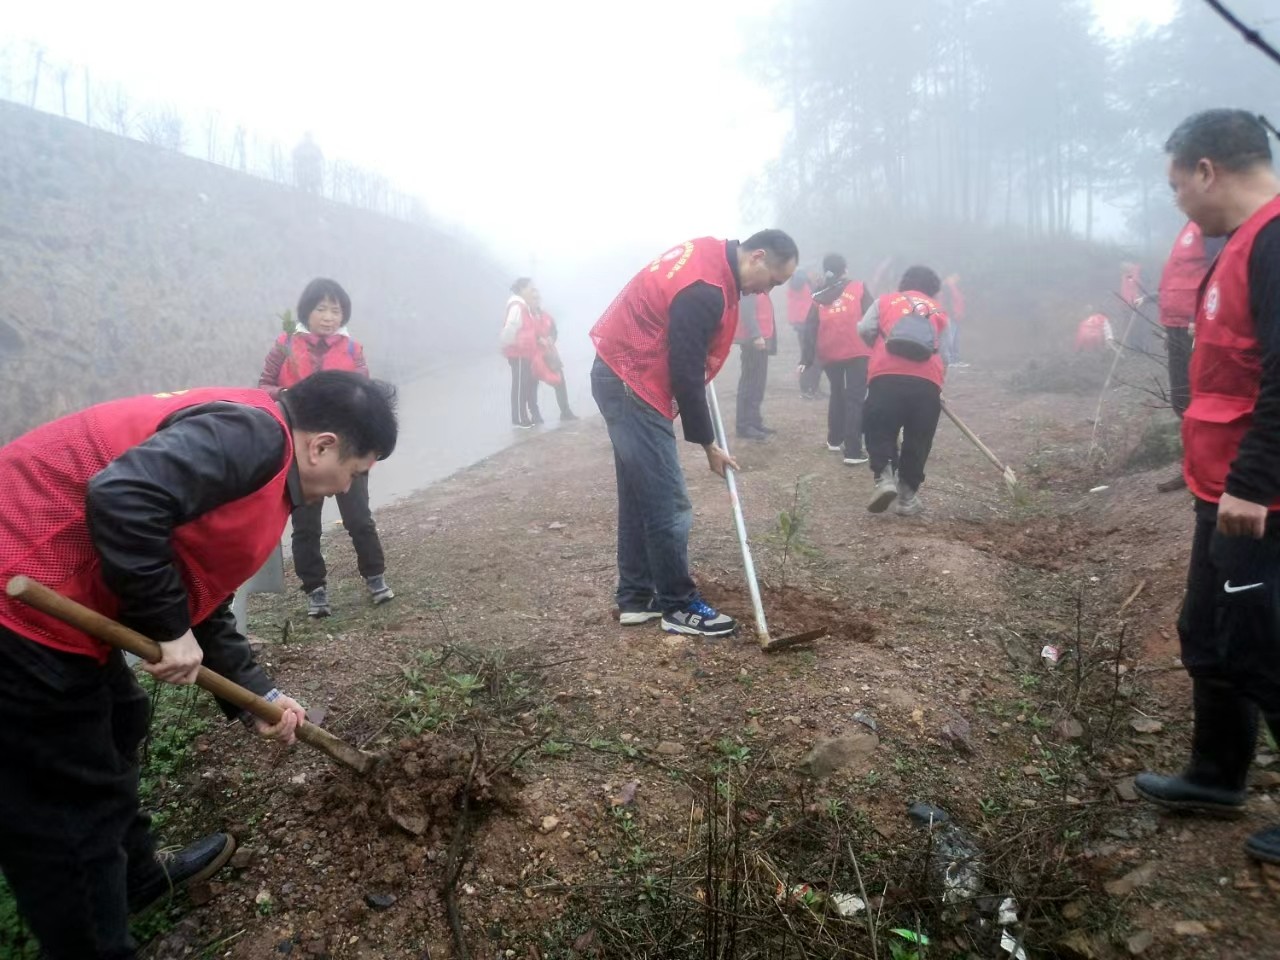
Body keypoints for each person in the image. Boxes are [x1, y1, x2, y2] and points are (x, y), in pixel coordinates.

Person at [0, 370, 398, 960]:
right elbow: (122, 497)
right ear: (323, 445)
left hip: (60, 600)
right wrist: (168, 626)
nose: (346, 488)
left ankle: (135, 877)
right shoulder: (253, 437)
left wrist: (254, 691)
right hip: (18, 595)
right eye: (355, 472)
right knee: (69, 801)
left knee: (119, 718)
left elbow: (194, 580)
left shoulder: (258, 446)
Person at [1133, 109, 1280, 868]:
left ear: (1207, 171)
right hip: (1220, 485)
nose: (1178, 203)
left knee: (1265, 643)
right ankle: (1217, 775)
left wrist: (1254, 484)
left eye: (1175, 185)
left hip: (1259, 498)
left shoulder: (1276, 241)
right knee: (1210, 631)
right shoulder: (1241, 245)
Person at [589, 231, 798, 637]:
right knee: (670, 503)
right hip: (633, 382)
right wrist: (708, 445)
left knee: (638, 495)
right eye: (773, 281)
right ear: (757, 257)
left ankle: (636, 597)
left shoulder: (708, 252)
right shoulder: (706, 289)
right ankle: (679, 606)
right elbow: (686, 373)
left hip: (618, 372)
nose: (765, 292)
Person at [259, 278, 395, 617]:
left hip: (347, 447)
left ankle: (375, 577)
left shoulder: (351, 349)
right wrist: (286, 395)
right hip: (302, 450)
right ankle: (315, 590)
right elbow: (265, 385)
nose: (329, 316)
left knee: (359, 518)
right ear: (307, 311)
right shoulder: (286, 344)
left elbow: (364, 390)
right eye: (321, 308)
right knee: (306, 527)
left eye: (335, 310)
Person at [858, 265, 950, 516]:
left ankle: (884, 479)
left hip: (885, 376)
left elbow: (864, 328)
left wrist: (878, 347)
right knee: (918, 438)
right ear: (933, 289)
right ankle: (907, 498)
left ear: (904, 282)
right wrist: (938, 387)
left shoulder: (885, 301)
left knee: (879, 428)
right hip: (926, 382)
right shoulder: (939, 311)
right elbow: (946, 353)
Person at [1151, 220, 1226, 492]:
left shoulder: (1210, 223)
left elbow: (1220, 269)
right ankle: (1193, 466)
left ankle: (1208, 470)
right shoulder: (1190, 226)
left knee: (1196, 397)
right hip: (1178, 324)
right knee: (1182, 399)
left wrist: (1200, 317)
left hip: (1195, 325)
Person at [798, 253, 873, 465]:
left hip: (829, 351)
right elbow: (873, 315)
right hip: (857, 349)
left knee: (837, 392)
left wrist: (807, 358)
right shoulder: (858, 287)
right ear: (845, 269)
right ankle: (853, 451)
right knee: (855, 397)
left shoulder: (818, 295)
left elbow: (810, 327)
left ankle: (834, 438)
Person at [528, 288, 578, 423]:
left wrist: (551, 338)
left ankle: (565, 411)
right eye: (533, 298)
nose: (536, 300)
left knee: (560, 381)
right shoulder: (525, 317)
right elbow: (523, 334)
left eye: (537, 298)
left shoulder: (546, 315)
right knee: (532, 386)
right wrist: (538, 339)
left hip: (549, 354)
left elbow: (554, 331)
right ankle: (536, 416)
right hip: (532, 356)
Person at [734, 292, 776, 440]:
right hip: (753, 342)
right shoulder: (750, 288)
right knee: (749, 383)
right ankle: (744, 425)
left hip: (760, 340)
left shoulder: (760, 287)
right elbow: (747, 312)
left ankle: (755, 421)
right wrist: (755, 335)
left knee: (757, 384)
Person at [501, 278, 542, 428]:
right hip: (518, 353)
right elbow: (510, 327)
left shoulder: (524, 307)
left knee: (524, 384)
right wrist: (508, 344)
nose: (532, 291)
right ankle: (519, 418)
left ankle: (523, 416)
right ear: (522, 289)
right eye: (530, 289)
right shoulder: (517, 306)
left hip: (524, 353)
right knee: (519, 386)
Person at [787, 270, 822, 399]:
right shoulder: (800, 281)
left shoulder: (799, 284)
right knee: (812, 357)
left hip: (803, 323)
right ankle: (809, 389)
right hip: (806, 323)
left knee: (809, 356)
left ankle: (810, 388)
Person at [940, 273, 969, 368]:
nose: (957, 279)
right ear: (949, 276)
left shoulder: (955, 287)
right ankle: (949, 360)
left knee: (955, 338)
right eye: (955, 277)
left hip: (957, 317)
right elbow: (946, 302)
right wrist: (952, 313)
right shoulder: (946, 287)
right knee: (949, 339)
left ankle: (956, 359)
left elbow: (959, 301)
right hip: (950, 316)